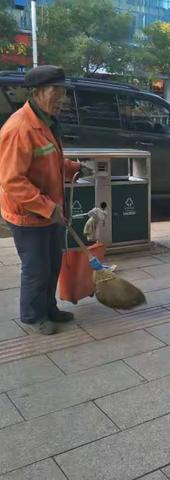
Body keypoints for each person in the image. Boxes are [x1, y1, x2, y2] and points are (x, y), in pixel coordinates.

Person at [0, 65, 92, 335]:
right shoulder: (20, 129)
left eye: (63, 92)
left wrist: (72, 167)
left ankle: (49, 307)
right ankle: (33, 315)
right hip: (28, 215)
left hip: (49, 211)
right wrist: (48, 208)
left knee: (52, 264)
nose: (61, 98)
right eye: (56, 92)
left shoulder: (45, 122)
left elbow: (47, 160)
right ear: (38, 92)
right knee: (36, 268)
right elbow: (11, 180)